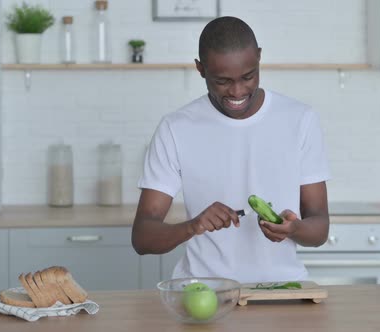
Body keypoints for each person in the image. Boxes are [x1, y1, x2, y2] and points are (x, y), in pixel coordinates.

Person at [131, 16, 331, 283]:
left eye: (248, 77)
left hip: (283, 289)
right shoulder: (175, 128)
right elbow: (142, 238)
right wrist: (193, 226)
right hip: (205, 292)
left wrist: (294, 228)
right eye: (222, 81)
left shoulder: (300, 119)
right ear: (200, 69)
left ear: (259, 57)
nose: (237, 91)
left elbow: (319, 229)